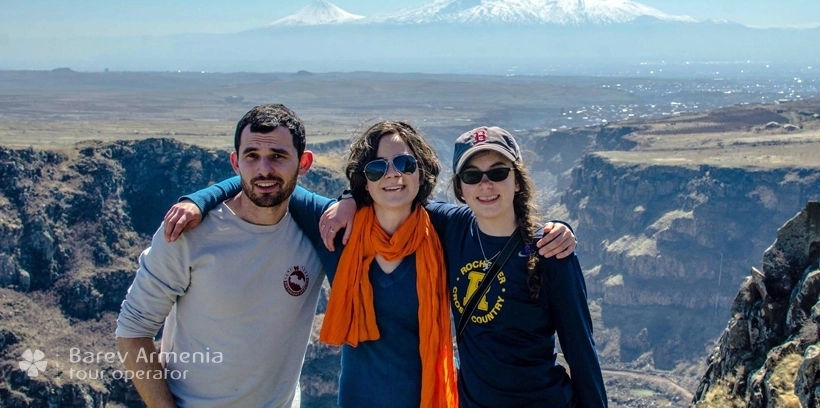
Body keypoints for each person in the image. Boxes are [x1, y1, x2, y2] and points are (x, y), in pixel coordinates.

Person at [168, 121, 577, 407]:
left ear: (421, 172)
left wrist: (555, 230)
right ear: (363, 179)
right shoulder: (338, 231)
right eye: (377, 167)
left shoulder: (444, 232)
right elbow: (267, 180)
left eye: (405, 164)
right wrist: (198, 200)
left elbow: (501, 221)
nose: (392, 175)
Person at [320, 126, 607, 407]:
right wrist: (349, 198)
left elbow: (580, 349)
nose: (486, 185)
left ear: (517, 181)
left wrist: (561, 228)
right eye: (472, 176)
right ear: (460, 188)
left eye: (498, 172)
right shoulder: (452, 227)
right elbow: (394, 196)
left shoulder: (549, 250)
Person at [116, 104, 332, 408]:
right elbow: (133, 330)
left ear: (304, 162)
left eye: (278, 156)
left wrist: (349, 200)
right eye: (251, 156)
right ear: (235, 162)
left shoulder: (317, 234)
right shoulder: (187, 233)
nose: (264, 169)